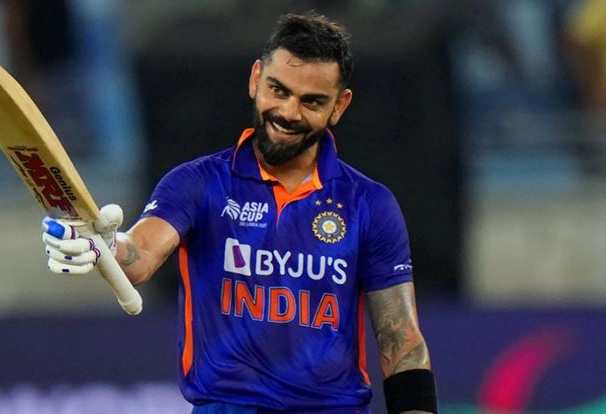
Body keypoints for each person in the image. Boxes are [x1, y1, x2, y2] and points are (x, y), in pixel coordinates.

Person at [42, 12, 437, 414]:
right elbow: (141, 255)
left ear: (339, 106)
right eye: (278, 90)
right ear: (255, 79)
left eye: (312, 101)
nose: (288, 112)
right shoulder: (198, 182)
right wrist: (107, 246)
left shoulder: (369, 203)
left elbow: (400, 340)